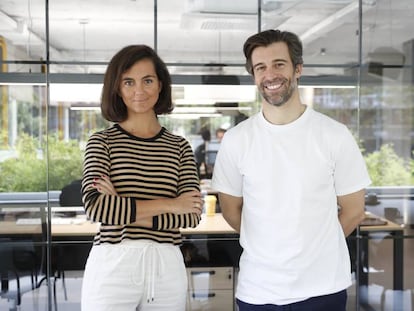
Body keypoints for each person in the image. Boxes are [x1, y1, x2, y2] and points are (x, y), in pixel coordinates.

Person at [212, 29, 371, 311]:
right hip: (259, 291)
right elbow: (232, 210)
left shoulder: (334, 135)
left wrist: (315, 248)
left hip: (323, 289)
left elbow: (354, 209)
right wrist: (270, 247)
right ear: (254, 76)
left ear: (298, 69)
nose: (270, 74)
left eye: (279, 64)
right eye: (260, 67)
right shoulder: (237, 140)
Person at [80, 45, 203, 311]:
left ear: (160, 85)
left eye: (147, 80)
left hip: (166, 265)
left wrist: (121, 204)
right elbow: (96, 207)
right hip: (113, 263)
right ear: (117, 88)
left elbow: (191, 215)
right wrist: (172, 204)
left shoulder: (179, 147)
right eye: (128, 82)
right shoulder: (102, 143)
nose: (139, 90)